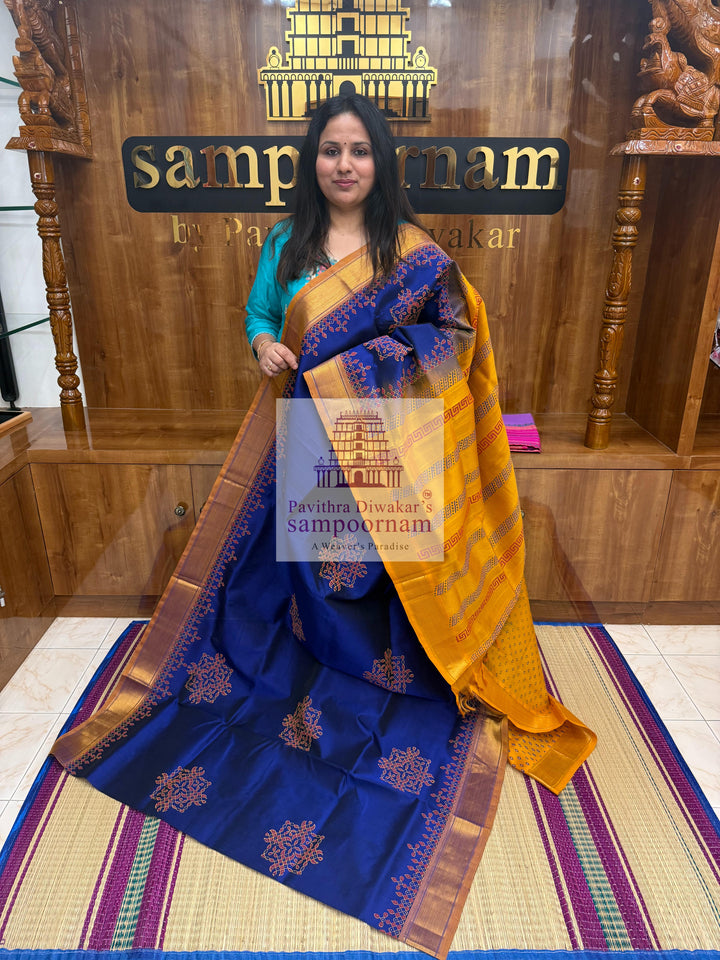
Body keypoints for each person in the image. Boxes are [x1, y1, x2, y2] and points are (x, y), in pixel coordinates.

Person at [53, 94, 595, 959]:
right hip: (309, 437)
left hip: (391, 444)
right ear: (314, 162)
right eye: (330, 151)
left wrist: (374, 366)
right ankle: (322, 680)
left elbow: (454, 339)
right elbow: (262, 318)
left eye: (359, 151)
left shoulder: (412, 255)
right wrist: (264, 344)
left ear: (381, 162)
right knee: (318, 574)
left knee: (389, 575)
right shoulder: (287, 244)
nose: (344, 164)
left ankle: (397, 680)